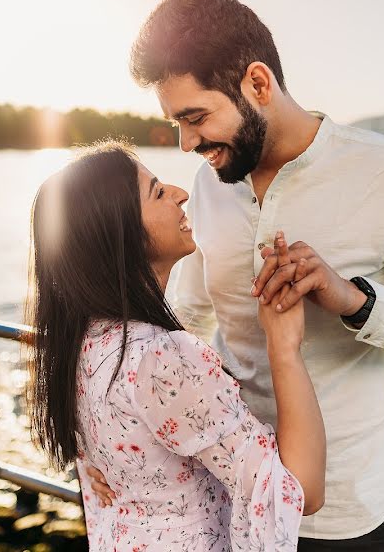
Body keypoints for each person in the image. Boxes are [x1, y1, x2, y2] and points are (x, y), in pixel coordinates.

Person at [89, 0, 384, 550]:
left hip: (348, 516)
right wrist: (121, 440)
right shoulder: (209, 183)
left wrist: (354, 299)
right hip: (231, 500)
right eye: (177, 122)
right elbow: (191, 316)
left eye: (195, 117)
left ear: (257, 83)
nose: (186, 143)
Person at [25, 141, 326, 551]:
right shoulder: (161, 356)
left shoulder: (81, 338)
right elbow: (298, 491)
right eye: (158, 192)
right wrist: (284, 344)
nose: (181, 193)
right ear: (123, 235)